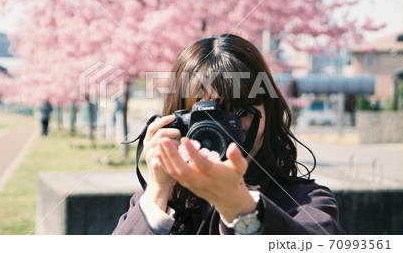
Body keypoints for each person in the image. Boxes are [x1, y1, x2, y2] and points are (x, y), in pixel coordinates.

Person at [112, 34, 344, 235]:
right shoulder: (160, 202)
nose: (221, 126)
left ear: (269, 113)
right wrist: (158, 191)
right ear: (177, 121)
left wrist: (239, 206)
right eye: (204, 115)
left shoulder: (306, 202)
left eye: (238, 110)